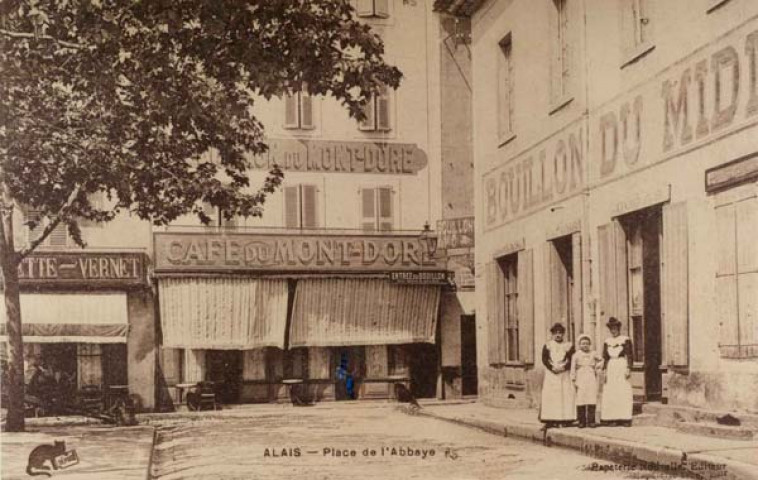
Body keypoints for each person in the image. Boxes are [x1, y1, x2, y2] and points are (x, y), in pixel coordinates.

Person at [539, 322, 576, 428]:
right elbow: (544, 359)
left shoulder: (568, 346)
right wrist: (552, 368)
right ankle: (550, 419)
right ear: (552, 334)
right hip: (552, 375)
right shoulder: (548, 345)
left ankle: (565, 419)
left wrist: (563, 367)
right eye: (556, 333)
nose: (558, 335)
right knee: (551, 396)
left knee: (565, 395)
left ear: (563, 334)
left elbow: (571, 359)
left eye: (560, 333)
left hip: (564, 374)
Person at [600, 317, 634, 426]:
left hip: (621, 365)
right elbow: (605, 357)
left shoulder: (625, 339)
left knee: (622, 391)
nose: (613, 331)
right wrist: (604, 371)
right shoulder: (607, 341)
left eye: (615, 328)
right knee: (611, 391)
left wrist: (628, 368)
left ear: (619, 328)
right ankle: (612, 418)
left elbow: (629, 355)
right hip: (611, 367)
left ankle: (624, 418)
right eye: (611, 329)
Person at [570, 334, 603, 428]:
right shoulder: (576, 355)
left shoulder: (593, 353)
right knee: (581, 398)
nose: (585, 346)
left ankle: (591, 421)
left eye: (587, 344)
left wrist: (598, 366)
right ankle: (582, 421)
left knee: (591, 397)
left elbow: (601, 360)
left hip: (590, 375)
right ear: (579, 345)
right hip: (580, 376)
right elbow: (573, 367)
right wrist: (573, 378)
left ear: (590, 344)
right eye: (583, 344)